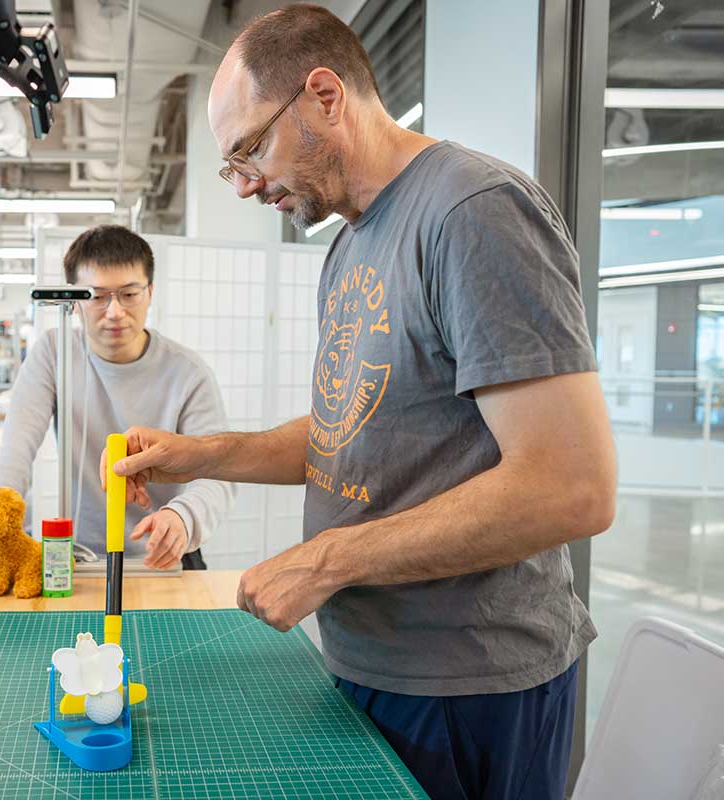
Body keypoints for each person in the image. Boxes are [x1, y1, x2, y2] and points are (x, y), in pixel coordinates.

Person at [103, 6, 617, 800]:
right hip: (370, 663)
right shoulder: (350, 244)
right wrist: (199, 454)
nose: (242, 185)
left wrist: (324, 560)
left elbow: (571, 485)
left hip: (469, 687)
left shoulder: (472, 212)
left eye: (248, 150)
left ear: (323, 95)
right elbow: (355, 426)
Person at [0, 225, 234, 585]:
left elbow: (218, 471)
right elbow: (16, 451)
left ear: (150, 292)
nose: (114, 312)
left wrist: (184, 518)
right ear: (74, 300)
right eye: (97, 296)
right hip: (78, 557)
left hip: (162, 559)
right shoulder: (53, 351)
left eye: (128, 294)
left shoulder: (188, 372)